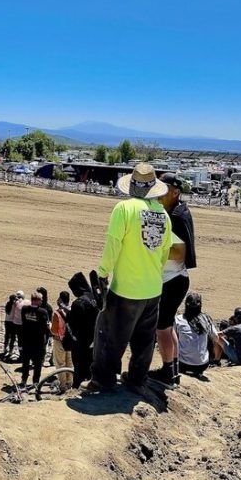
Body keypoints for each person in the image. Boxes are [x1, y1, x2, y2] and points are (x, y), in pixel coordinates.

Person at [85, 163, 172, 395]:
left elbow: (113, 244)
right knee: (144, 341)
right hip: (153, 288)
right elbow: (164, 253)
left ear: (132, 185)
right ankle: (137, 378)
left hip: (126, 288)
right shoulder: (163, 215)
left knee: (110, 335)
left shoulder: (123, 209)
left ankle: (104, 379)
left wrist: (103, 273)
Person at [152, 173, 197, 386]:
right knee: (167, 327)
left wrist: (153, 251)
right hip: (175, 278)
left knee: (161, 328)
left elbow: (179, 253)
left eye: (164, 188)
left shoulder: (176, 216)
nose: (160, 191)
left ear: (175, 191)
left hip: (172, 279)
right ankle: (173, 370)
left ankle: (167, 373)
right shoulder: (177, 211)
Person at [65, 273, 98, 388]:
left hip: (81, 343)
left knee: (79, 370)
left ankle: (76, 389)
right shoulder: (95, 297)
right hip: (96, 340)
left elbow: (71, 325)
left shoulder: (78, 303)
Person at [176, 292, 217, 378]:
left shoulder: (178, 319)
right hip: (203, 364)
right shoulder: (206, 319)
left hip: (183, 364)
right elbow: (216, 337)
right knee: (209, 335)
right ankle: (213, 360)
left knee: (173, 336)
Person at [20, 292, 50, 387]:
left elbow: (23, 322)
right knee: (38, 364)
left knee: (25, 362)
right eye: (40, 299)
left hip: (26, 339)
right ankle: (35, 382)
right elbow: (46, 327)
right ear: (36, 300)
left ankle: (24, 380)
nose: (42, 301)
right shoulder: (43, 312)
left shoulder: (24, 309)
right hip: (38, 342)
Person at [49, 291, 73, 392]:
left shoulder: (57, 313)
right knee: (70, 363)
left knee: (60, 363)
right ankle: (70, 384)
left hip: (59, 340)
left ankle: (63, 386)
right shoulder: (72, 311)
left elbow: (54, 331)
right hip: (70, 341)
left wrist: (49, 326)